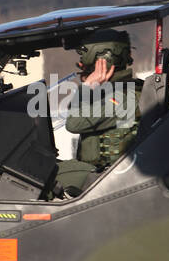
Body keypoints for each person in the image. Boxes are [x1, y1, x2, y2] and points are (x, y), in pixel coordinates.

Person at [51, 29, 143, 198]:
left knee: (46, 176)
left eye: (83, 61)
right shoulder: (110, 93)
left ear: (103, 60)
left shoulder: (125, 97)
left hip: (110, 180)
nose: (80, 66)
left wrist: (87, 88)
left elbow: (74, 123)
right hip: (103, 176)